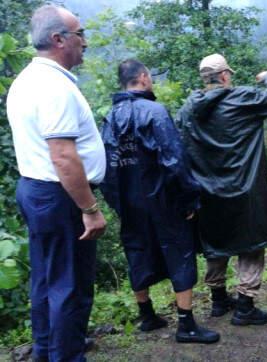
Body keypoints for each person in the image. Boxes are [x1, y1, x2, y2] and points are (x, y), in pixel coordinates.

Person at [7, 5, 106, 361]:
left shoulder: (27, 80)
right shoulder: (53, 87)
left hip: (37, 191)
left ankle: (47, 351)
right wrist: (90, 209)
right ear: (58, 39)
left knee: (49, 280)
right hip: (61, 196)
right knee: (71, 286)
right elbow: (63, 156)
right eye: (80, 35)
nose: (85, 43)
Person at [100, 60, 219, 344]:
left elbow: (105, 168)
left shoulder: (109, 118)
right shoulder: (154, 112)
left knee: (137, 251)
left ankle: (147, 316)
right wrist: (189, 198)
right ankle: (186, 324)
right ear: (143, 78)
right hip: (164, 200)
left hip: (130, 203)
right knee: (180, 252)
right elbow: (174, 159)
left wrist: (119, 204)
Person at [177, 53, 267, 326]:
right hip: (245, 191)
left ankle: (218, 301)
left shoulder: (188, 109)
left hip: (207, 193)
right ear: (225, 75)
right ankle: (245, 307)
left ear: (204, 79)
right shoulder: (243, 99)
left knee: (215, 244)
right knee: (250, 247)